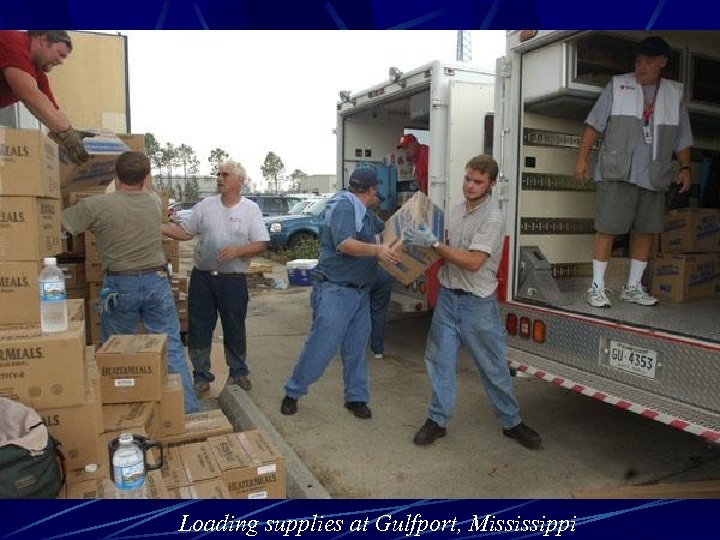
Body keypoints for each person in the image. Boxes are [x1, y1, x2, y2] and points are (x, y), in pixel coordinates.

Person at [403, 154, 542, 450]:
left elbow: (473, 262)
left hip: (477, 305)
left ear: (490, 184)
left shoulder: (493, 218)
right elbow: (445, 252)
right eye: (467, 178)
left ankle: (511, 422)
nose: (470, 185)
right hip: (448, 299)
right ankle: (436, 421)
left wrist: (435, 244)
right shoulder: (455, 211)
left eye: (478, 181)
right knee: (439, 362)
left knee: (493, 367)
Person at [61, 151, 200, 414]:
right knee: (170, 345)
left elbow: (62, 224)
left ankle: (123, 413)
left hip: (119, 284)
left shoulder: (97, 205)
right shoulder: (152, 201)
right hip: (156, 281)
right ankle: (188, 412)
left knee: (118, 350)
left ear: (116, 174)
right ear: (146, 177)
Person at [575, 36, 693, 308]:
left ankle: (632, 287)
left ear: (662, 62)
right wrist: (582, 159)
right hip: (618, 171)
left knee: (646, 231)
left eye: (648, 62)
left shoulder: (674, 94)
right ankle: (597, 287)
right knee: (607, 228)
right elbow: (594, 125)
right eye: (638, 61)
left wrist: (685, 167)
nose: (641, 67)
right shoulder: (618, 85)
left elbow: (683, 138)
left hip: (654, 174)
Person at [280, 166, 400, 419]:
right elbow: (345, 244)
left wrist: (396, 235)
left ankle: (356, 398)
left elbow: (385, 227)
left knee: (356, 349)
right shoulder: (344, 207)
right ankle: (293, 392)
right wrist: (378, 251)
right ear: (371, 189)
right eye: (376, 191)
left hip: (359, 292)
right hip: (336, 291)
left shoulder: (363, 212)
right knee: (321, 348)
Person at [162, 161, 268, 396]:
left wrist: (239, 251)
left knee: (234, 327)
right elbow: (185, 233)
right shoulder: (205, 206)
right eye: (218, 174)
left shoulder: (250, 209)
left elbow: (261, 243)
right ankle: (200, 375)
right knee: (199, 327)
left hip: (233, 280)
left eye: (225, 175)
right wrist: (160, 227)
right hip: (203, 278)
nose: (219, 178)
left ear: (239, 181)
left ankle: (238, 372)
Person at [0, 30, 89, 163]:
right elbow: (30, 96)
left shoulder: (36, 71)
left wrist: (71, 133)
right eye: (60, 54)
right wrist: (67, 135)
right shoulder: (13, 42)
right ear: (43, 40)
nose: (61, 61)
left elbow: (52, 110)